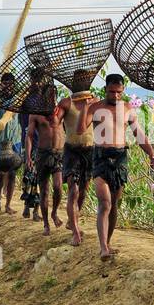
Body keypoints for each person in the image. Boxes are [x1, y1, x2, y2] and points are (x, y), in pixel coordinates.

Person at [77, 73, 154, 261]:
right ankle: (103, 247)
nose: (115, 96)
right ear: (105, 89)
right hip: (100, 157)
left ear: (123, 91)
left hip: (120, 157)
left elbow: (139, 134)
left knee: (114, 204)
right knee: (104, 202)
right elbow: (81, 130)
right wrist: (84, 108)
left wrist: (151, 153)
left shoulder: (128, 109)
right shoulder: (95, 108)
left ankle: (108, 242)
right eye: (112, 92)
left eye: (119, 92)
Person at [54, 73, 97, 246]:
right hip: (72, 150)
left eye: (83, 80)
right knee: (73, 189)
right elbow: (55, 122)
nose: (80, 83)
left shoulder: (94, 102)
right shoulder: (66, 103)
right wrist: (53, 117)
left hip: (90, 150)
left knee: (84, 190)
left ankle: (73, 221)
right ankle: (76, 233)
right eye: (77, 81)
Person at [26, 106, 64, 235]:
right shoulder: (35, 114)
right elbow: (29, 136)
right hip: (43, 155)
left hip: (58, 153)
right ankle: (46, 224)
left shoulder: (61, 110)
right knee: (44, 190)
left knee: (58, 186)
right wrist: (28, 157)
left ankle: (54, 212)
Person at [0, 110, 24, 213]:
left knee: (12, 173)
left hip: (16, 140)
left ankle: (8, 204)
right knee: (1, 172)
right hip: (1, 140)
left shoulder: (19, 100)